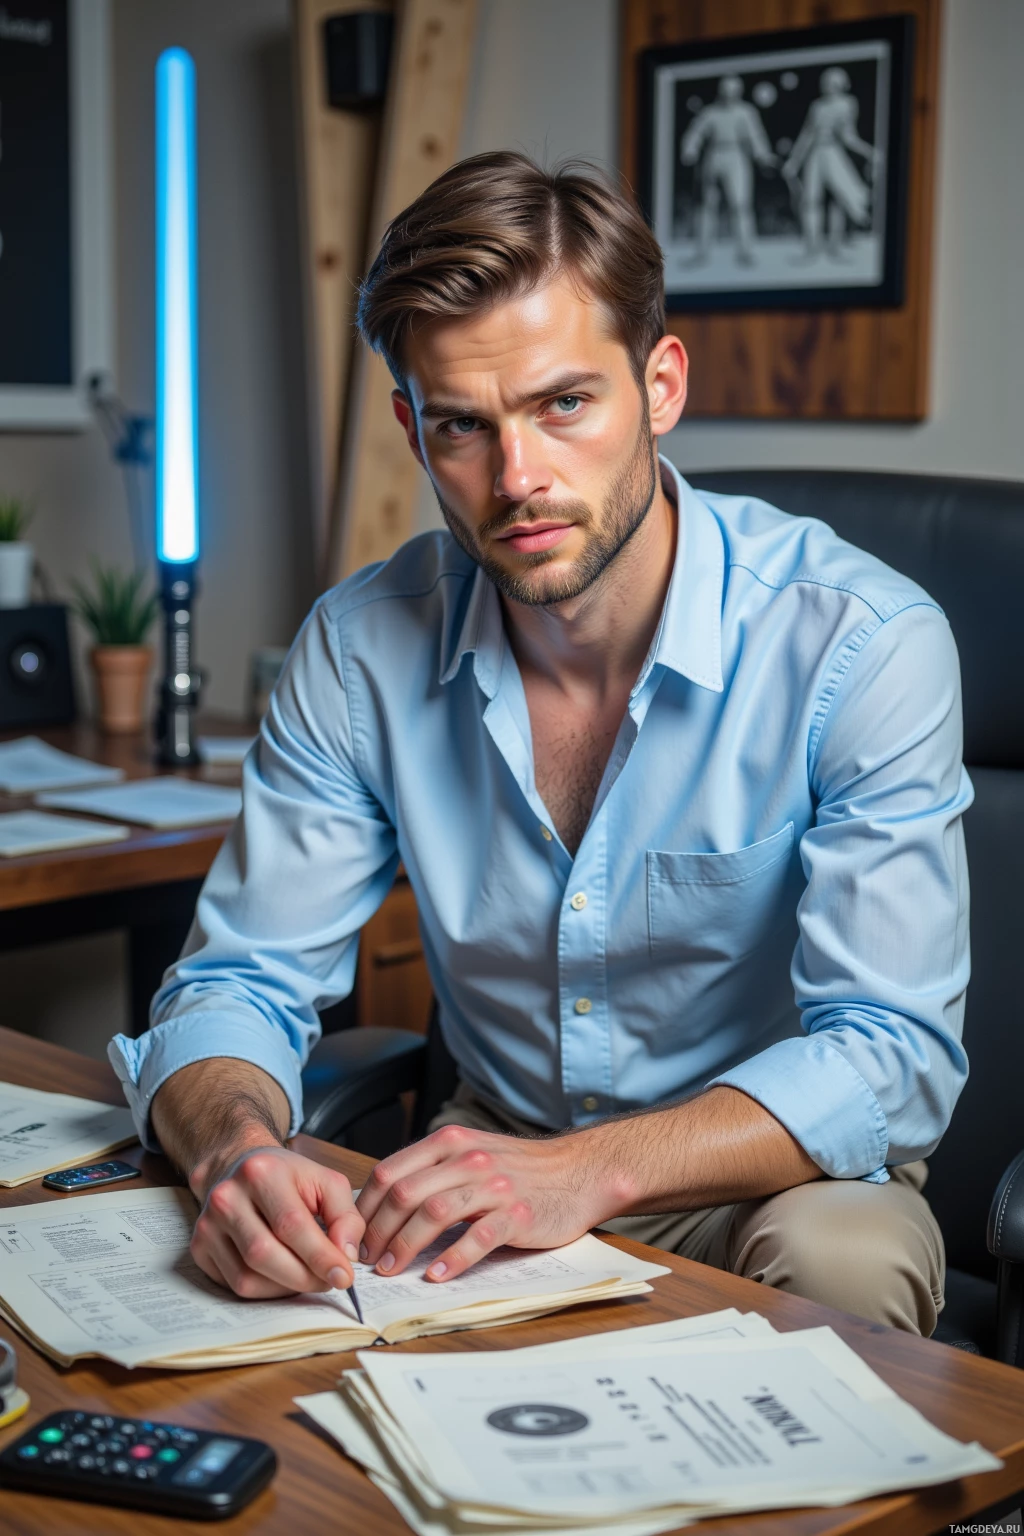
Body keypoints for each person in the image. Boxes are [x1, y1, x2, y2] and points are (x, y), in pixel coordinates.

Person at [109, 152, 969, 1336]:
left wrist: (584, 1171)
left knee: (844, 1257)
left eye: (565, 404)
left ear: (659, 386)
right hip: (479, 1171)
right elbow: (237, 981)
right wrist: (237, 1152)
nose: (518, 480)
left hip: (763, 1174)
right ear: (413, 429)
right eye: (464, 425)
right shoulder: (362, 647)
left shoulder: (857, 645)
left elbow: (890, 1058)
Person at [782, 66, 882, 259]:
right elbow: (806, 135)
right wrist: (794, 161)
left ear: (840, 84)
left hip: (833, 152)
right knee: (810, 200)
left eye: (832, 82)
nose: (828, 86)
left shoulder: (847, 104)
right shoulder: (817, 106)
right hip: (815, 155)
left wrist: (869, 151)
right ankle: (811, 247)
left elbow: (849, 137)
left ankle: (836, 247)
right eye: (826, 82)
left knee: (840, 198)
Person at [679, 75, 776, 265]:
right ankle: (702, 252)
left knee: (740, 205)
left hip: (736, 156)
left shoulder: (746, 112)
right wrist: (690, 149)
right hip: (713, 156)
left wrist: (763, 155)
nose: (729, 94)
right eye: (726, 90)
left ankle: (745, 251)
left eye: (732, 90)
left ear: (738, 92)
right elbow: (695, 132)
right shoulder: (710, 113)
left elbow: (756, 136)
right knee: (706, 206)